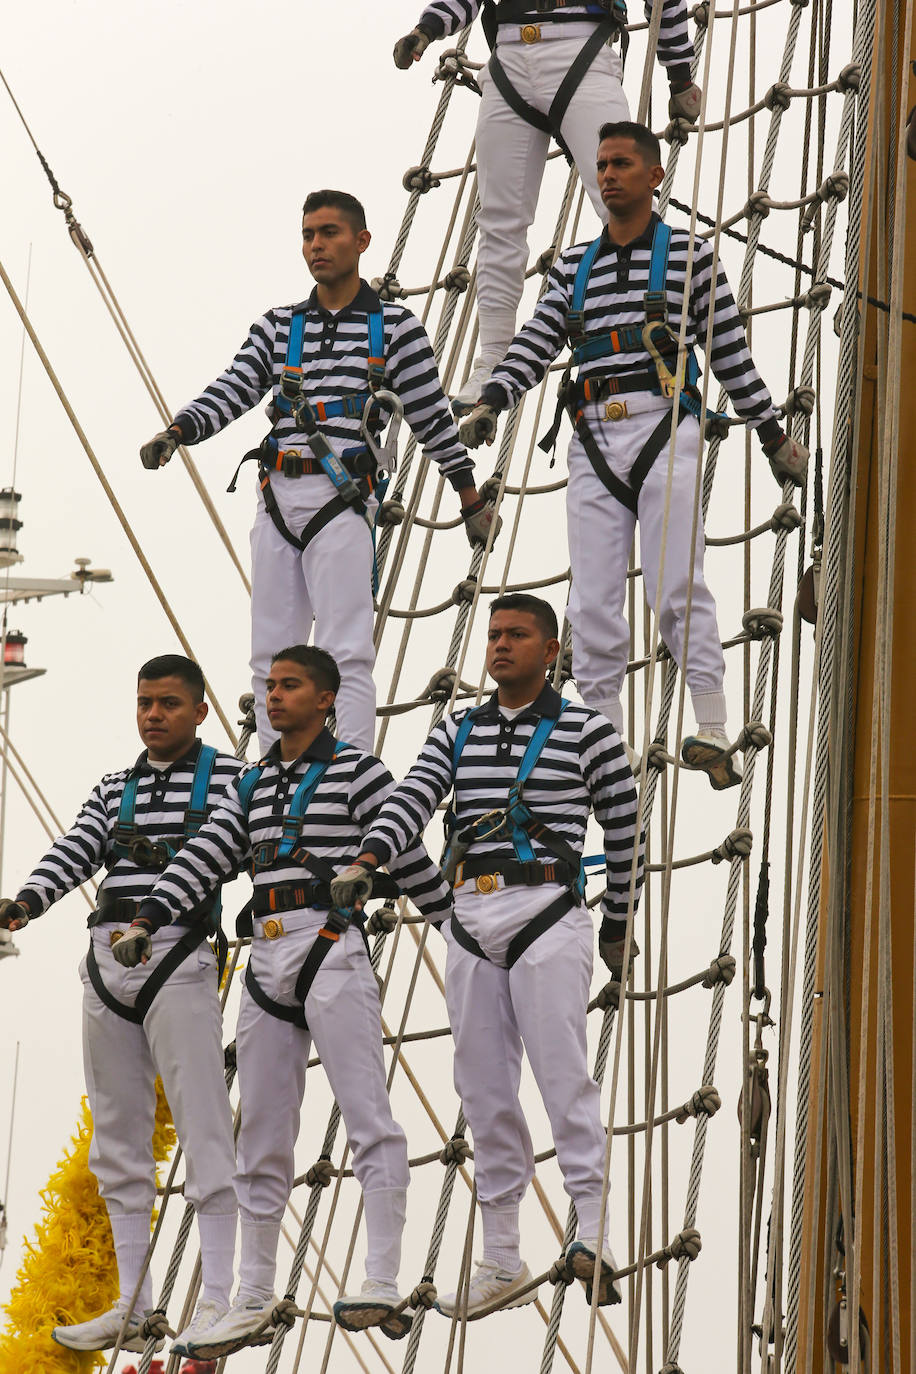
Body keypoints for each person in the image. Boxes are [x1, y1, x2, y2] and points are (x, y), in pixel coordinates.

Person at [123, 645, 454, 1357]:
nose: (273, 698)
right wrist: (150, 917)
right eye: (270, 686)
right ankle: (252, 1291)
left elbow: (402, 848)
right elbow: (208, 854)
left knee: (369, 1116)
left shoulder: (359, 771)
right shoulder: (253, 784)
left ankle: (382, 1277)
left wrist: (453, 924)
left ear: (326, 698)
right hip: (265, 953)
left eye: (290, 686)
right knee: (260, 1138)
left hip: (330, 944)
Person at [458, 122, 809, 787]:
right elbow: (535, 343)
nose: (608, 174)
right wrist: (493, 400)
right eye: (601, 165)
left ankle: (711, 727)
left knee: (675, 584)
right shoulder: (571, 267)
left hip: (662, 424)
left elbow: (729, 352)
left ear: (654, 177)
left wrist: (769, 433)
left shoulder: (692, 257)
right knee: (591, 607)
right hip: (592, 436)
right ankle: (604, 756)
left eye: (622, 164)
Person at [332, 594, 643, 1316]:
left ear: (551, 649)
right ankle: (501, 1256)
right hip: (470, 915)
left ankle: (590, 1231)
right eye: (494, 635)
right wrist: (370, 855)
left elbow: (626, 830)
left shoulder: (590, 733)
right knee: (483, 1092)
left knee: (565, 1077)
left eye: (517, 636)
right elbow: (413, 797)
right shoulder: (455, 731)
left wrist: (618, 922)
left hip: (547, 911)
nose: (500, 646)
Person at [139, 190, 496, 755]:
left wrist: (467, 493)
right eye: (308, 235)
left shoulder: (396, 329)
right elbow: (234, 388)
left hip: (343, 500)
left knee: (345, 648)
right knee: (270, 651)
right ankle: (269, 774)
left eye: (328, 233)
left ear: (361, 242)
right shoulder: (279, 326)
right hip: (277, 494)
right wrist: (180, 431)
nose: (316, 246)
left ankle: (351, 765)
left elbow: (430, 416)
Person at [0, 655, 241, 1357]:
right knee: (117, 1141)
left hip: (178, 953)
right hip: (107, 962)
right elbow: (77, 849)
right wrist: (25, 903)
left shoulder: (229, 779)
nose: (153, 715)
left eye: (168, 703)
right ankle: (134, 1300)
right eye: (144, 703)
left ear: (199, 710)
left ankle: (219, 1298)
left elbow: (244, 845)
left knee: (203, 1129)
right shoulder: (115, 788)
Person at [393, 1, 701, 412]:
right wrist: (425, 30)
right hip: (509, 60)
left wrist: (679, 75)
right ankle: (493, 360)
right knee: (498, 221)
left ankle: (655, 334)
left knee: (626, 207)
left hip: (581, 49)